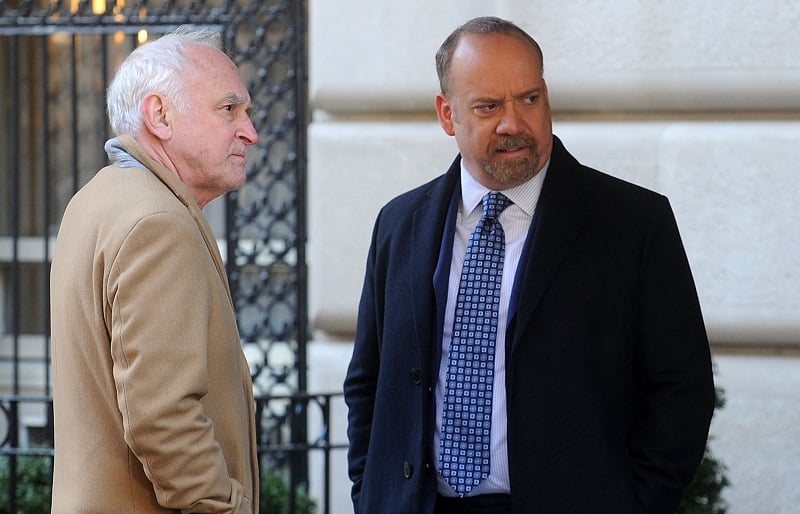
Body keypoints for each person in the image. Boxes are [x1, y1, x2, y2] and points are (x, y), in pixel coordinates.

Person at [344, 16, 715, 514]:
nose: (513, 123)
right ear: (447, 114)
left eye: (528, 99)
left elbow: (682, 389)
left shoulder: (632, 224)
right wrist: (371, 493)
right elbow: (369, 381)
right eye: (488, 106)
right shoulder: (399, 223)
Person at [50, 26, 260, 513]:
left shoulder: (96, 199)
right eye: (229, 109)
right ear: (160, 115)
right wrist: (224, 506)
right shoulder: (158, 221)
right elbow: (163, 416)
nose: (249, 132)